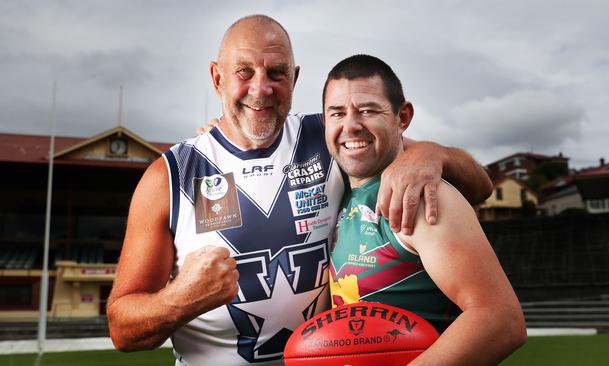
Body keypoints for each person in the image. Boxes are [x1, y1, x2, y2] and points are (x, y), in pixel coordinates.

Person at [107, 15, 493, 366]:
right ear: (217, 78)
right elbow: (123, 331)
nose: (260, 89)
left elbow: (479, 187)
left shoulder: (327, 138)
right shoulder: (171, 176)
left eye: (276, 72)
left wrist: (432, 154)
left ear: (294, 78)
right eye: (244, 72)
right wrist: (180, 299)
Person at [324, 54, 526, 365]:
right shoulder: (336, 188)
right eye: (337, 113)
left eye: (368, 110)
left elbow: (501, 321)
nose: (351, 125)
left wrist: (434, 153)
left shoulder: (422, 195)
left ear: (401, 118)